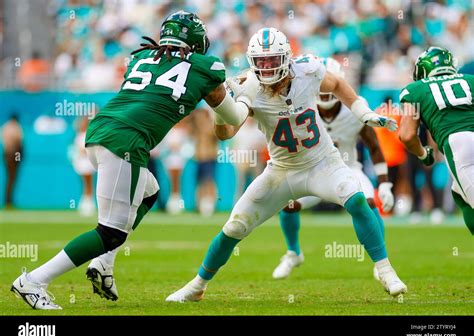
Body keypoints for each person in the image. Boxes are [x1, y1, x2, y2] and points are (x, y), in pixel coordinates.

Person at [11, 10, 258, 310]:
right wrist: (245, 96)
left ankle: (104, 263)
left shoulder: (141, 59)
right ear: (196, 41)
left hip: (101, 131)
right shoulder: (207, 66)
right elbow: (232, 120)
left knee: (150, 190)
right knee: (110, 231)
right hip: (125, 142)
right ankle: (34, 281)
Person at [166, 28, 407, 303]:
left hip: (322, 162)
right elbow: (226, 134)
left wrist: (363, 112)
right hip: (281, 170)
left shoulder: (308, 70)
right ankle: (197, 285)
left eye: (271, 60)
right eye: (261, 61)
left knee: (355, 198)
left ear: (286, 58)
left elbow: (338, 85)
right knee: (235, 226)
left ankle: (385, 269)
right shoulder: (250, 86)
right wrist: (221, 107)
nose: (266, 67)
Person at [272, 58, 394, 280]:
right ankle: (293, 252)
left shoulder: (353, 107)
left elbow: (374, 146)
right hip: (312, 171)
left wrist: (384, 183)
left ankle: (381, 261)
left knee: (368, 202)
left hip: (347, 169)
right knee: (288, 204)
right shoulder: (302, 106)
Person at [399, 46, 474, 234]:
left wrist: (424, 154)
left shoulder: (415, 89)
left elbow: (407, 135)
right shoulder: (470, 80)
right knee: (461, 195)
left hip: (459, 143)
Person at [71, 116, 96, 217]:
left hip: (88, 163)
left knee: (89, 184)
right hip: (81, 163)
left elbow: (89, 149)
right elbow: (78, 149)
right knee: (85, 184)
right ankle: (86, 205)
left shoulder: (89, 135)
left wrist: (85, 151)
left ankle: (88, 206)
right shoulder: (79, 136)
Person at [2, 113, 23, 209]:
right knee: (12, 178)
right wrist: (19, 158)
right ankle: (8, 201)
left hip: (6, 154)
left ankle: (8, 201)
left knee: (9, 178)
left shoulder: (5, 126)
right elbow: (19, 142)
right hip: (14, 154)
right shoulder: (16, 127)